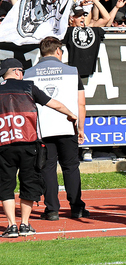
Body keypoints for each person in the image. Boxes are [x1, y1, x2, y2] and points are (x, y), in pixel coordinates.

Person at [0, 58, 78, 239]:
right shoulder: (29, 87)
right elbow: (55, 104)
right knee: (29, 183)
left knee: (6, 185)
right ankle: (25, 224)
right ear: (18, 72)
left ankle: (11, 225)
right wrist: (71, 115)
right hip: (29, 143)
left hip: (4, 145)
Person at [24, 36, 88, 221]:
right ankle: (77, 208)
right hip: (68, 125)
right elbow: (81, 102)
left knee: (47, 168)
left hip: (42, 128)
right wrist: (80, 127)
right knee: (71, 167)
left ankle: (52, 210)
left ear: (41, 53)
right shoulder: (72, 71)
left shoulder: (29, 73)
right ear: (59, 52)